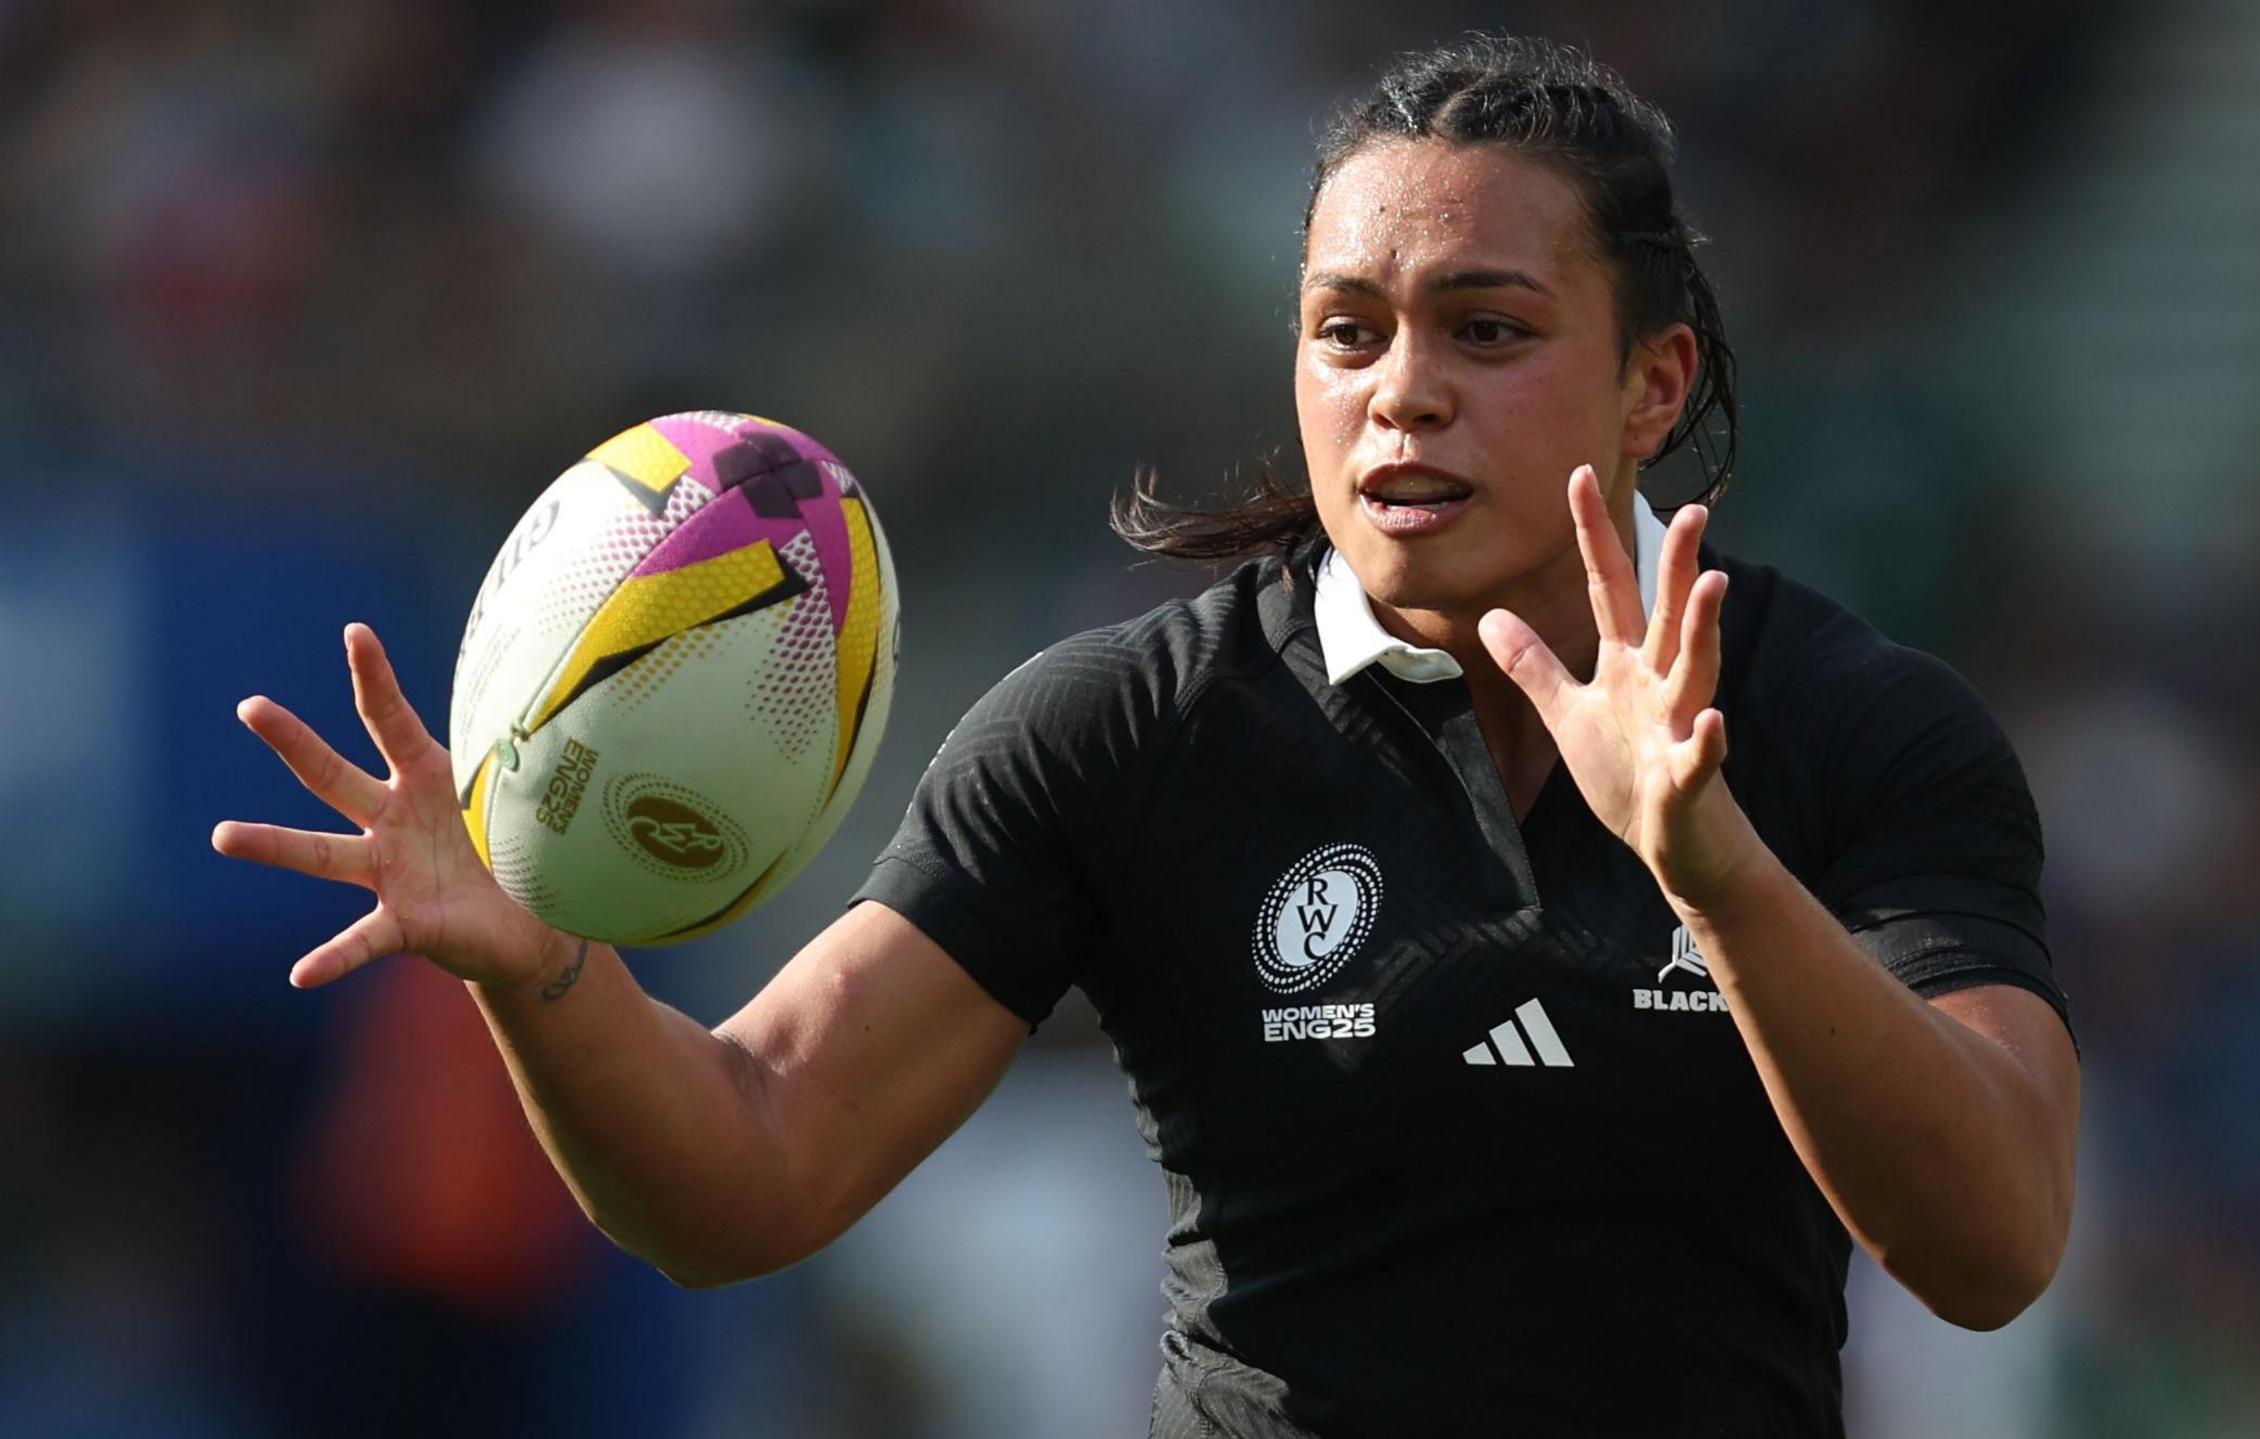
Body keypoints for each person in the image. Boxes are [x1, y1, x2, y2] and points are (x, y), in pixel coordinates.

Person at [212, 38, 2078, 1436]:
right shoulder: (1132, 731)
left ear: (1654, 381)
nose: (1403, 392)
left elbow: (1993, 1244)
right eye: (1346, 332)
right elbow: (752, 1159)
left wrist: (1719, 876)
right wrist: (548, 971)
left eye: (1487, 329)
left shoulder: (1855, 729)